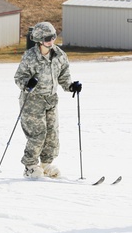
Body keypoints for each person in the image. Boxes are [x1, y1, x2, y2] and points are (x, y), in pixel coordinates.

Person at [13, 21, 82, 179]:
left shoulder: (59, 55)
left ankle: (45, 164)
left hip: (51, 100)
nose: (50, 41)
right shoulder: (30, 56)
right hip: (32, 101)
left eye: (53, 37)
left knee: (52, 133)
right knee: (38, 133)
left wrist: (72, 86)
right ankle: (30, 166)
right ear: (39, 39)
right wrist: (27, 84)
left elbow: (64, 76)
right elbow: (19, 77)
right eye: (46, 39)